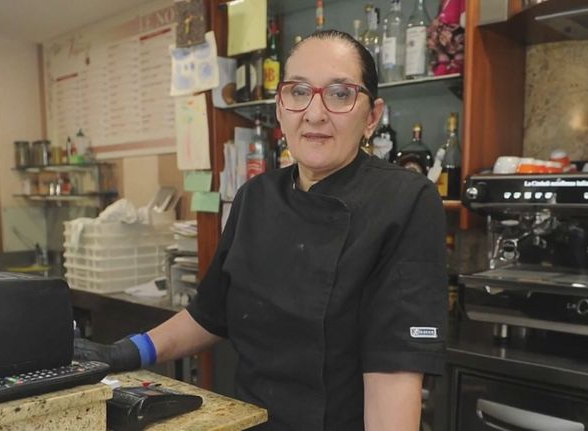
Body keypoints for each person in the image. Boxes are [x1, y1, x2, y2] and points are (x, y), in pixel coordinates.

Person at [75, 29, 447, 430]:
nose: (315, 113)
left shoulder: (405, 200)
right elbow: (210, 313)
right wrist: (126, 352)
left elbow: (393, 370)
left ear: (371, 117)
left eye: (340, 94)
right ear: (281, 109)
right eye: (298, 91)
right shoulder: (256, 195)